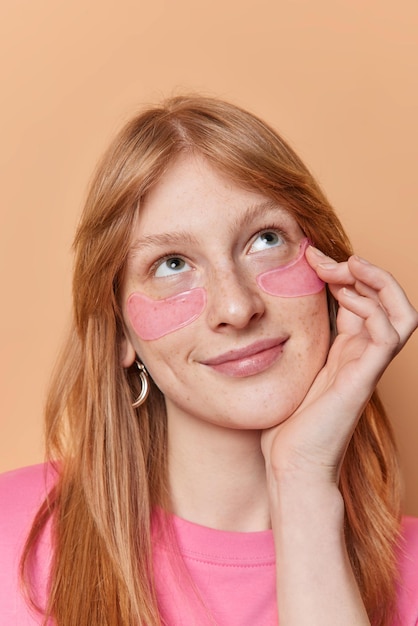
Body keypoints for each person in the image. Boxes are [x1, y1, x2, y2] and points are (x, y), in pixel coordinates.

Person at [1, 95, 417, 626]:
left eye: (265, 240)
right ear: (119, 336)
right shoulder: (9, 537)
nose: (237, 307)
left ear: (332, 277)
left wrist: (303, 487)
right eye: (172, 264)